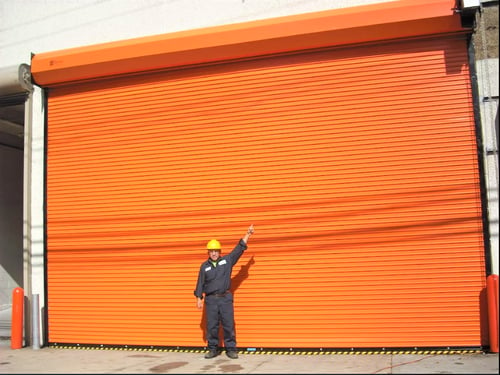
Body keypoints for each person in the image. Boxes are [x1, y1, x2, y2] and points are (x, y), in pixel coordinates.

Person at [194, 224, 255, 359]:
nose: (214, 253)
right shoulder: (204, 267)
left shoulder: (227, 261)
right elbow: (200, 283)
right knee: (212, 326)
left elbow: (238, 250)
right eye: (211, 251)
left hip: (225, 298)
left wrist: (248, 234)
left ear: (219, 251)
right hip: (211, 300)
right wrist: (199, 298)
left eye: (216, 250)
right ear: (208, 252)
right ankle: (212, 349)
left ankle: (231, 349)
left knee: (228, 324)